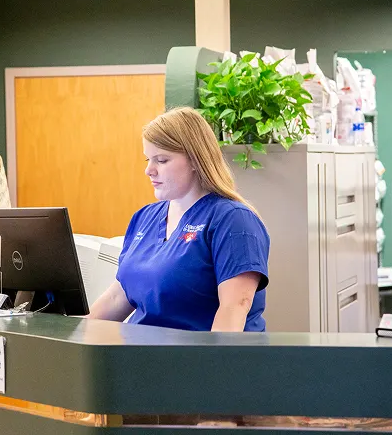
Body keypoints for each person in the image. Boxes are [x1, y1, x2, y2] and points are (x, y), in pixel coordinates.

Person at [87, 106, 270, 332]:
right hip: (141, 357)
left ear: (195, 160)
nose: (149, 170)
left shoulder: (233, 220)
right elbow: (117, 297)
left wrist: (216, 363)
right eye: (147, 159)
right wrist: (75, 336)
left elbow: (235, 307)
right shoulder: (145, 217)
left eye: (162, 160)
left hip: (197, 360)